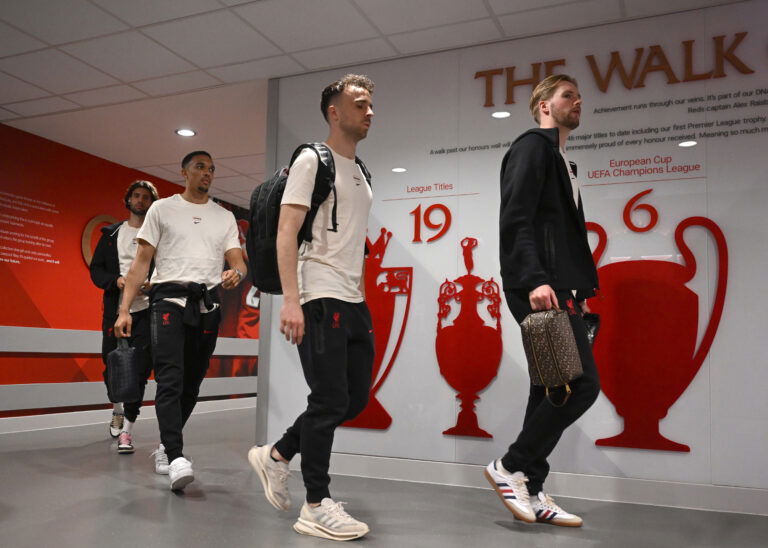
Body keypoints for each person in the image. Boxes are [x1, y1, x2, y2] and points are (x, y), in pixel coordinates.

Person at [248, 74, 375, 541]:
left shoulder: (361, 171)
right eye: (359, 103)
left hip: (354, 299)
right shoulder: (311, 160)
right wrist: (292, 301)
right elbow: (286, 232)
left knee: (353, 399)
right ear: (334, 112)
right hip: (319, 294)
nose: (369, 111)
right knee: (327, 400)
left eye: (371, 104)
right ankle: (316, 504)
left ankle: (278, 454)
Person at [488, 74, 601, 527]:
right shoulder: (533, 146)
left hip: (559, 289)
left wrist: (578, 292)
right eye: (568, 95)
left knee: (550, 388)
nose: (578, 101)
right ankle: (510, 467)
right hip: (537, 287)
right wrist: (535, 277)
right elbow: (516, 217)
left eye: (579, 95)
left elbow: (561, 232)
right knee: (580, 385)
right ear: (544, 106)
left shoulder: (560, 159)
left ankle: (532, 489)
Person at [115, 151, 247, 491]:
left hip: (206, 305)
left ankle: (164, 445)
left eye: (212, 169)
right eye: (200, 167)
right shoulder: (162, 209)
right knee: (170, 378)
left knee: (192, 383)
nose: (207, 173)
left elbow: (237, 259)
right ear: (184, 173)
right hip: (167, 300)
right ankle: (175, 456)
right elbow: (141, 263)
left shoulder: (223, 217)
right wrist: (124, 309)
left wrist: (237, 272)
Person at [89, 180, 158, 452]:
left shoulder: (158, 237)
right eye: (136, 196)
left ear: (152, 204)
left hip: (147, 311)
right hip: (115, 311)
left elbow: (167, 267)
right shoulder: (110, 235)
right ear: (128, 200)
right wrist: (116, 281)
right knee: (111, 364)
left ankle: (127, 430)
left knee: (140, 370)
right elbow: (96, 271)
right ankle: (117, 408)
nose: (140, 201)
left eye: (146, 198)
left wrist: (153, 282)